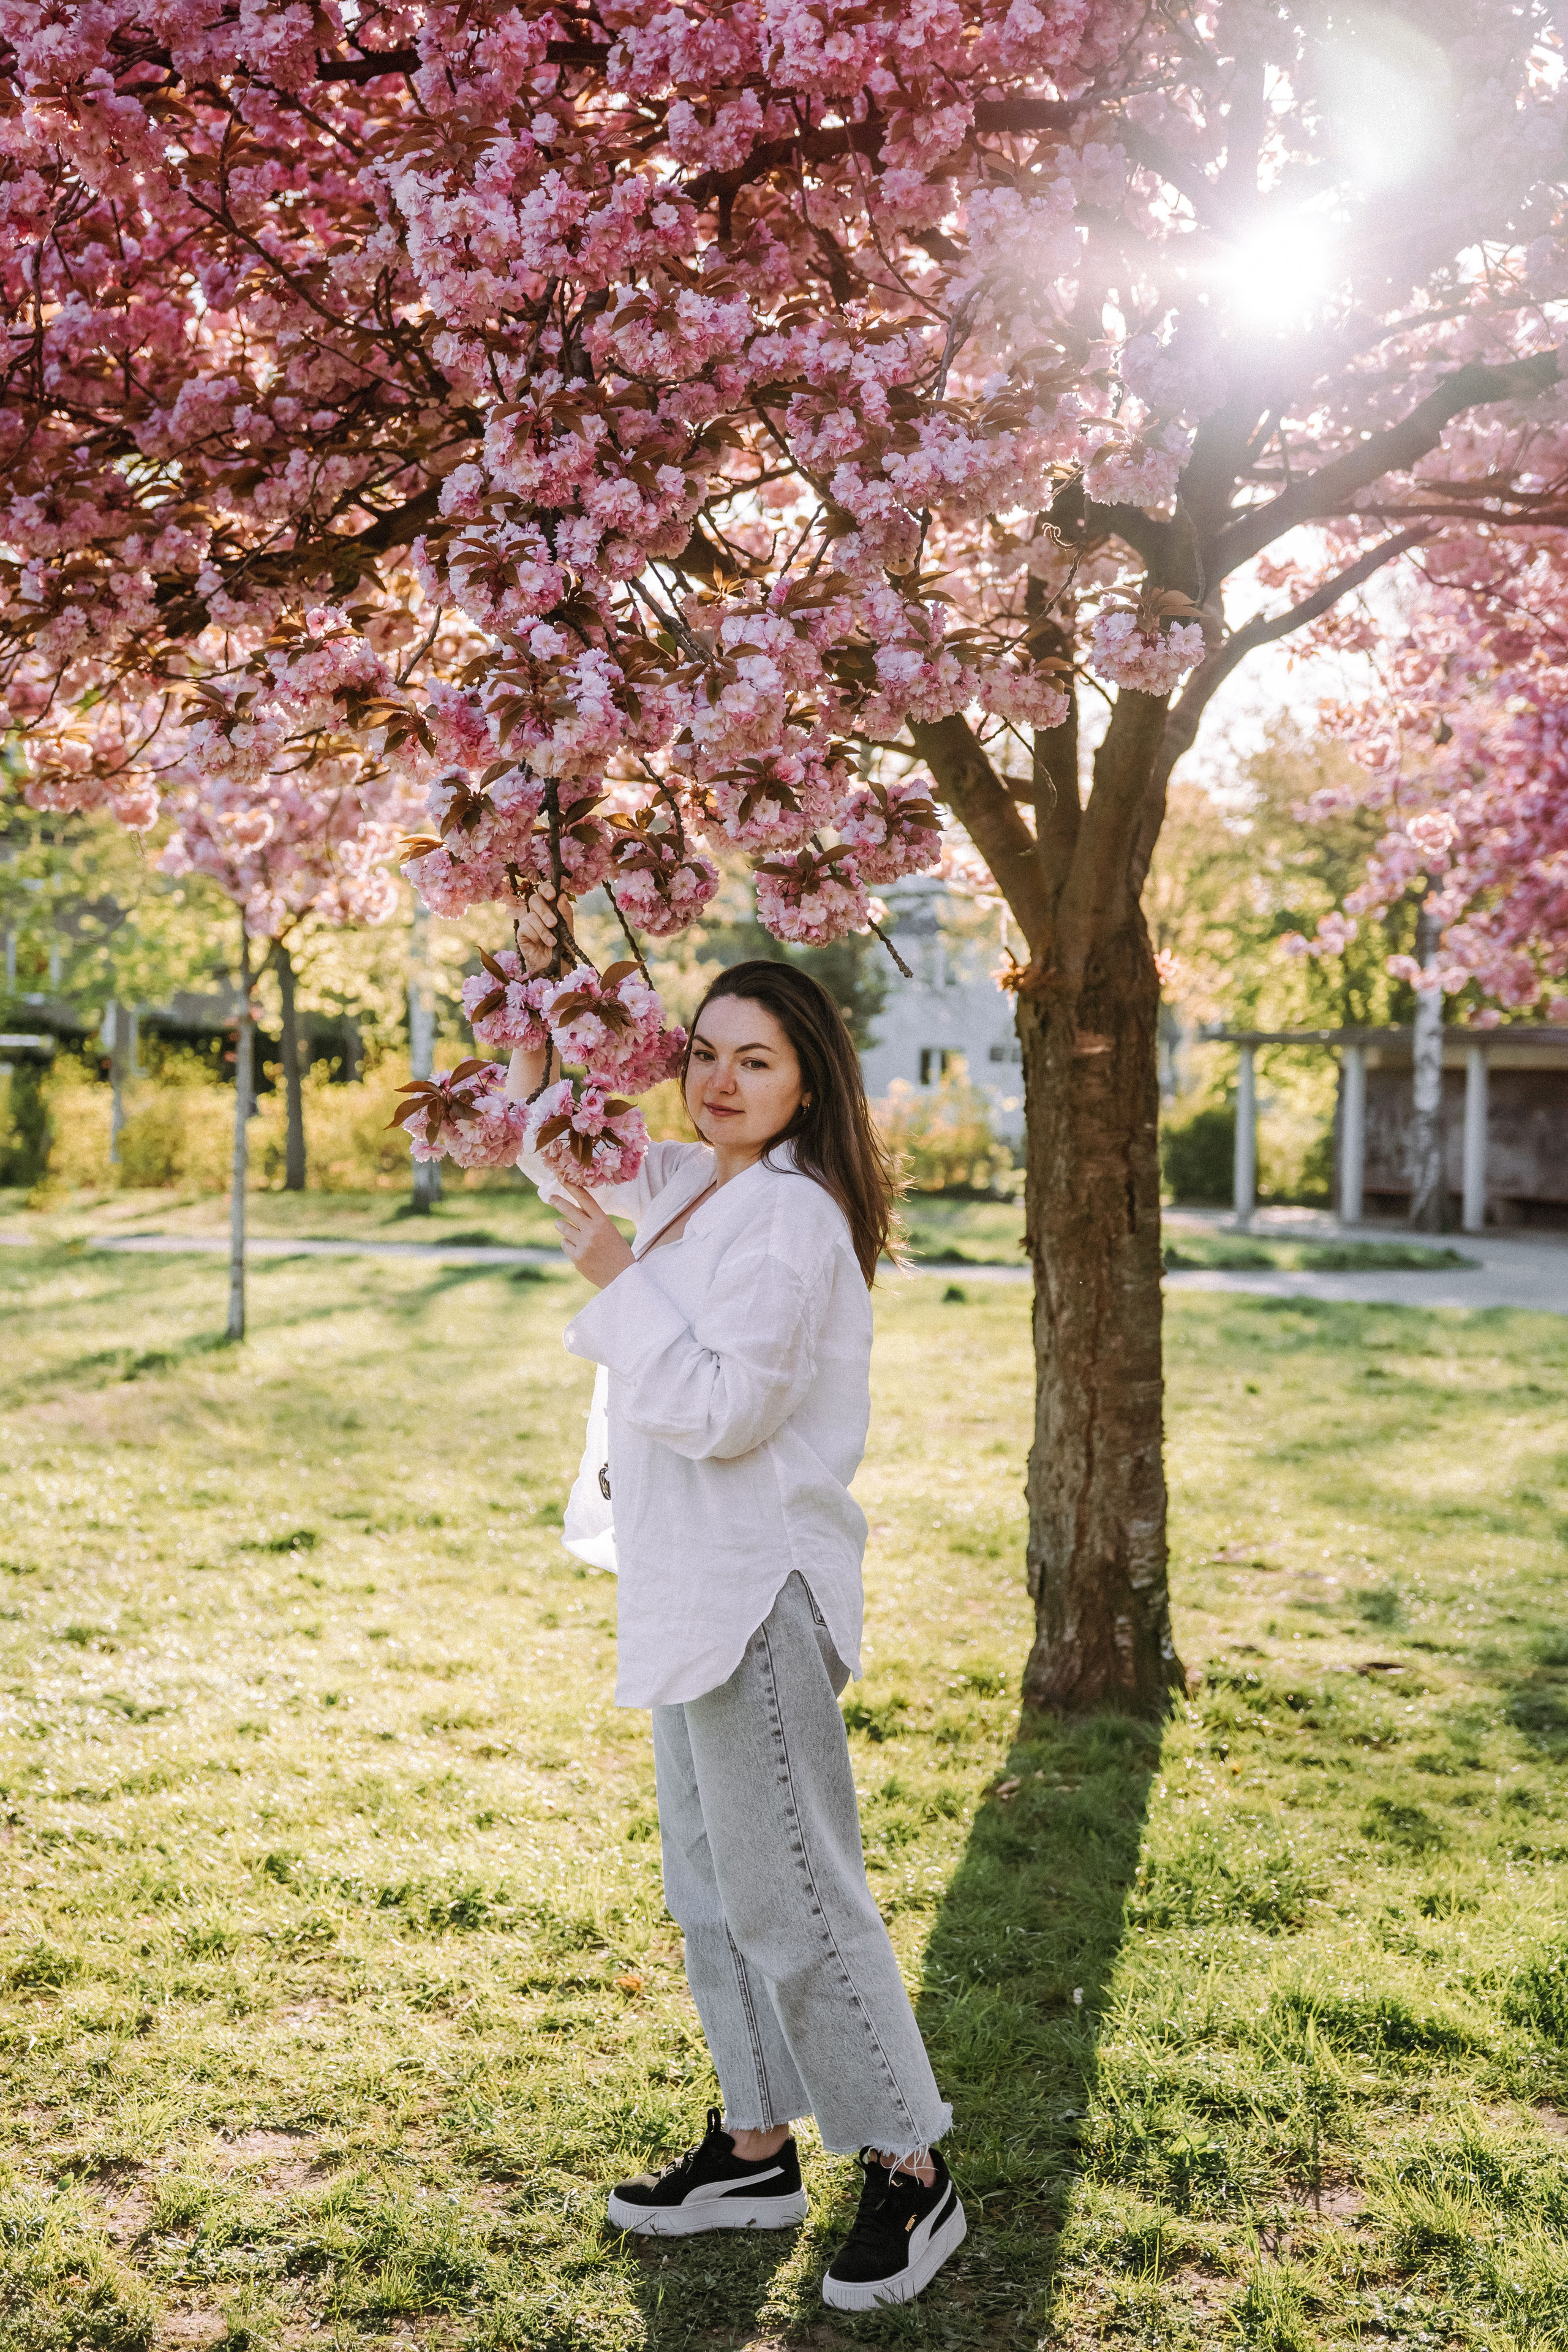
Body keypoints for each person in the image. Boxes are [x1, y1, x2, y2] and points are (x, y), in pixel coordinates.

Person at [504, 885, 965, 2313]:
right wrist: (534, 1003)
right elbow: (550, 1157)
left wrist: (608, 1278)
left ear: (807, 1082)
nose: (717, 1078)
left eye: (753, 1059)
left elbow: (723, 1411)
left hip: (759, 1589)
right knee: (711, 1890)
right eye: (701, 1051)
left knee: (793, 1898)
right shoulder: (698, 1185)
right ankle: (755, 2148)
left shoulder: (788, 1220)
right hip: (688, 1588)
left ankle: (908, 2169)